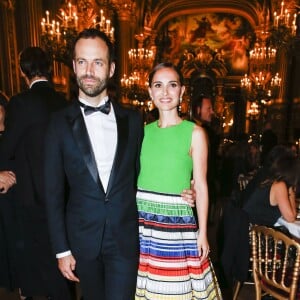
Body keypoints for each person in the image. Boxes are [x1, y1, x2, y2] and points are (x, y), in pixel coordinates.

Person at [135, 62, 221, 299]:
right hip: (143, 221)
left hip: (177, 224)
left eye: (172, 85)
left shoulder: (195, 133)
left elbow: (201, 185)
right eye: (158, 86)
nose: (165, 92)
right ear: (150, 91)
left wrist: (202, 232)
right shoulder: (141, 132)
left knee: (178, 289)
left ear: (182, 91)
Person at [0, 46, 71, 299]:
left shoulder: (20, 103)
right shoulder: (64, 102)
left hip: (31, 198)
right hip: (63, 196)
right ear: (50, 69)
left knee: (38, 270)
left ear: (22, 71)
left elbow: (7, 147)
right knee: (60, 260)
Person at [243, 145, 299, 227]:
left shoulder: (273, 181)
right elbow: (291, 217)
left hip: (249, 228)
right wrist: (291, 190)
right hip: (251, 233)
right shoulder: (280, 185)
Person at [192, 95, 220, 223]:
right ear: (198, 110)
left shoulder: (207, 131)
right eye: (208, 109)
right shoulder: (192, 130)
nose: (212, 112)